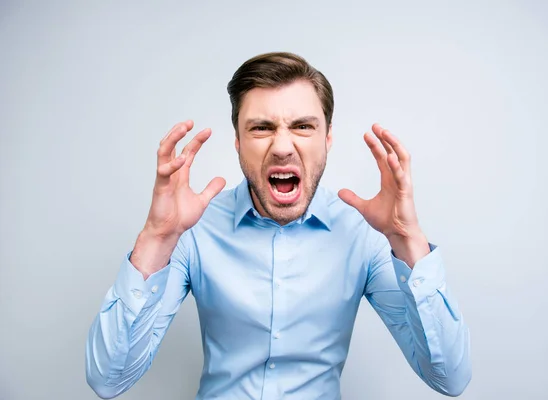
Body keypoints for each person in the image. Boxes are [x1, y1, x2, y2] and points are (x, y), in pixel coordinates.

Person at [85, 52, 471, 399]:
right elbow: (109, 380)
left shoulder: (363, 234)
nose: (283, 147)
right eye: (261, 128)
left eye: (303, 126)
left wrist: (408, 241)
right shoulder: (194, 229)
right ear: (237, 141)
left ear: (328, 139)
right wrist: (157, 238)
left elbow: (449, 379)